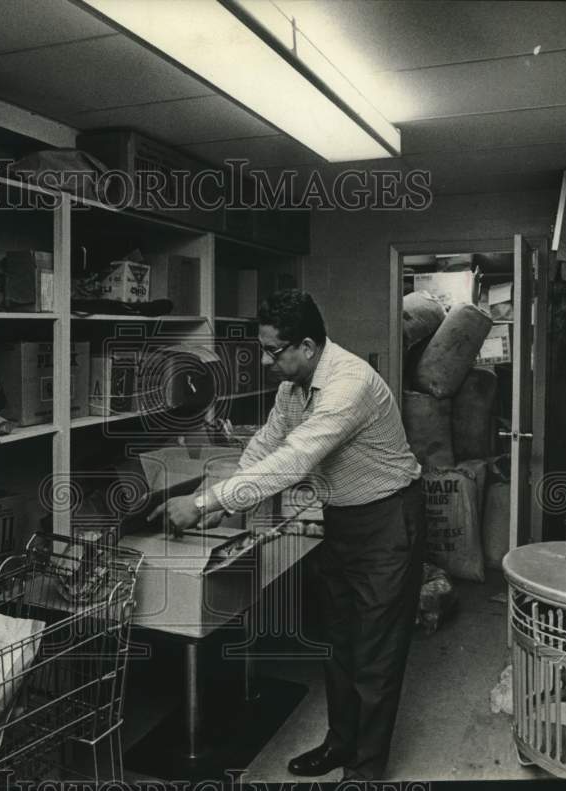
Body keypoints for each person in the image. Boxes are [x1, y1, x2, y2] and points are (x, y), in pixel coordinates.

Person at [148, 289, 426, 781]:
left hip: (387, 521)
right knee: (339, 644)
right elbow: (265, 447)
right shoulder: (292, 385)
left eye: (274, 350)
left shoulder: (349, 385)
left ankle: (365, 771)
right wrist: (220, 498)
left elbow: (296, 459)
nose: (265, 359)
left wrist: (202, 503)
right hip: (342, 518)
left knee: (375, 654)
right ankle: (341, 745)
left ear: (308, 346)